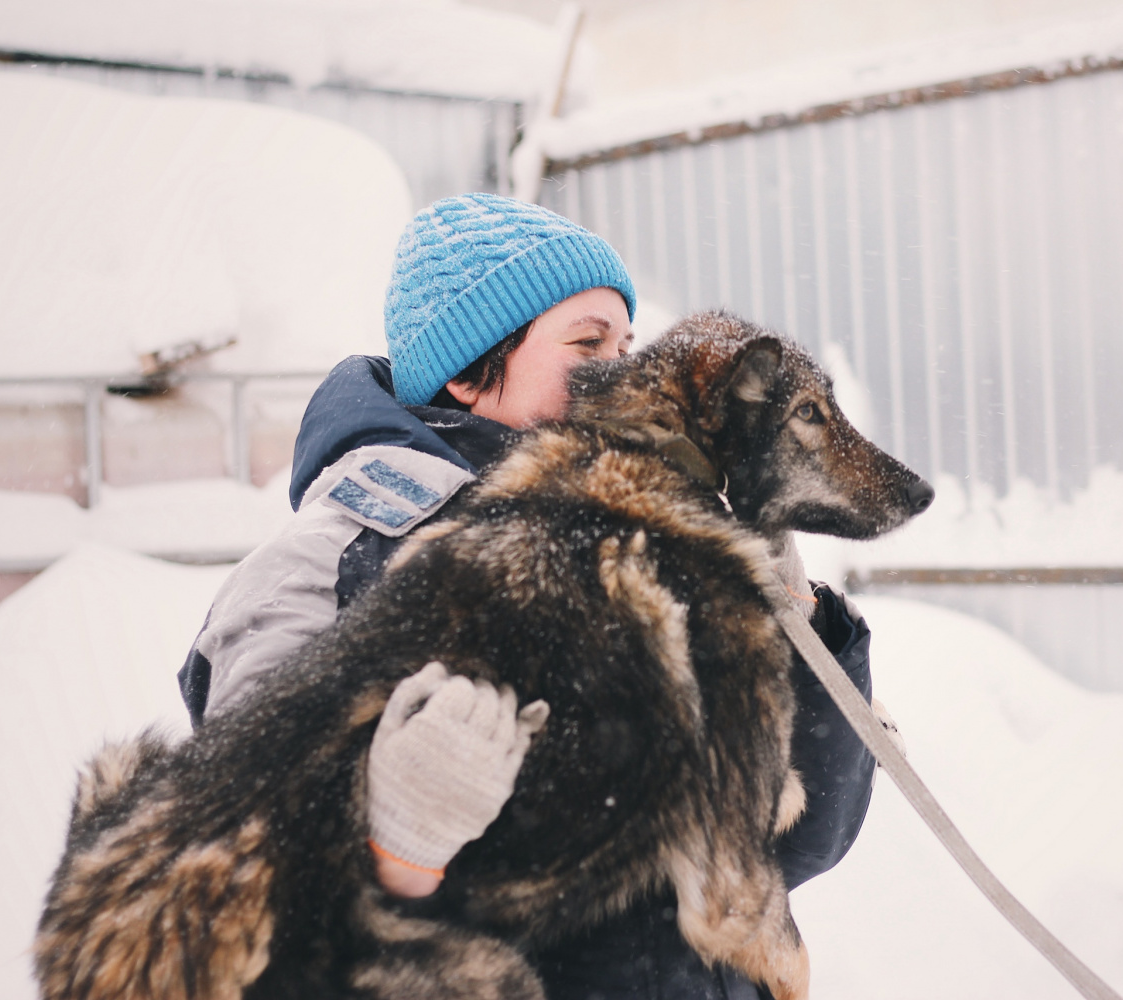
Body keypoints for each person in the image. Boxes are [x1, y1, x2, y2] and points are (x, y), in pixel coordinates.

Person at [177, 192, 877, 999]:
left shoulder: (645, 549)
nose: (632, 373)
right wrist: (399, 845)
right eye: (589, 344)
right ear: (470, 372)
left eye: (629, 343)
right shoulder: (318, 569)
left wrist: (790, 611)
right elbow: (242, 921)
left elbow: (798, 844)